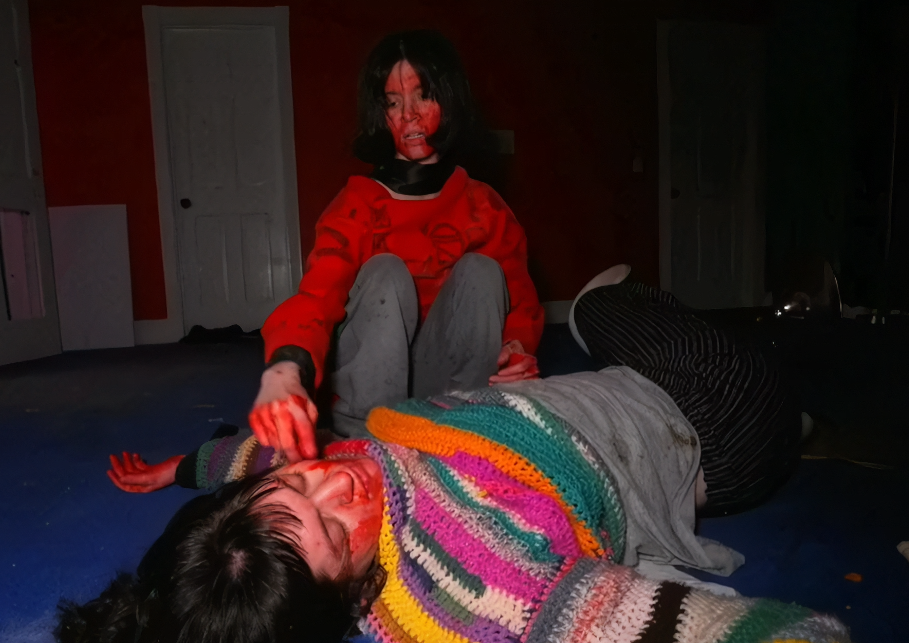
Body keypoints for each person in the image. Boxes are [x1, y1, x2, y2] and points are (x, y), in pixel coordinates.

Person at [59, 279, 850, 643]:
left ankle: (787, 406)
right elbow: (666, 625)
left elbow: (254, 456)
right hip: (704, 417)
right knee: (601, 303)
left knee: (605, 321)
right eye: (332, 526)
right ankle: (782, 402)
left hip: (619, 397)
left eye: (296, 482)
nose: (336, 478)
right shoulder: (469, 582)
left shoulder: (293, 504)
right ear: (345, 600)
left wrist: (174, 468)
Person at [249, 30, 544, 462]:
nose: (409, 116)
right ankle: (369, 441)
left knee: (483, 270)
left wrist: (516, 350)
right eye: (392, 102)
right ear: (380, 114)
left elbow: (521, 300)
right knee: (385, 271)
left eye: (424, 96)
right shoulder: (356, 205)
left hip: (447, 386)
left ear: (449, 101)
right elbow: (317, 296)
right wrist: (285, 367)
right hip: (369, 392)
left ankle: (468, 422)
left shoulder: (484, 205)